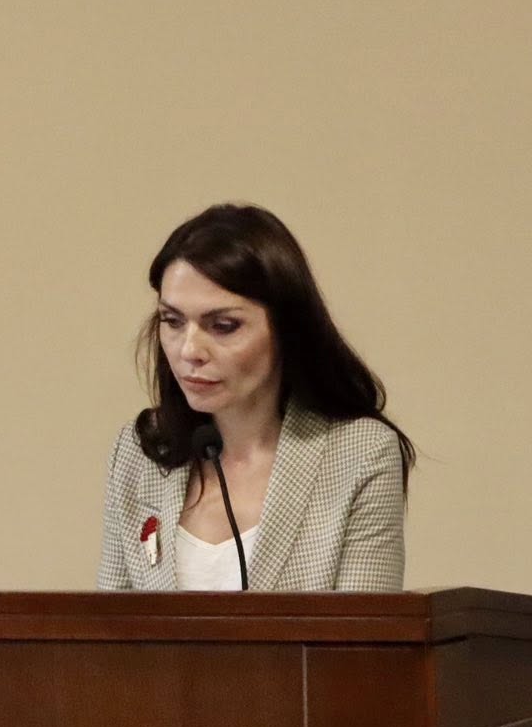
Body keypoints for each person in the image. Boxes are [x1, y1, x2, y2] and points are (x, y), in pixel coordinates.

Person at [96, 204, 413, 592]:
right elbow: (111, 624)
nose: (189, 350)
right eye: (173, 321)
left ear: (287, 331)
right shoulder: (140, 453)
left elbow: (364, 631)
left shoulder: (359, 453)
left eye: (223, 326)